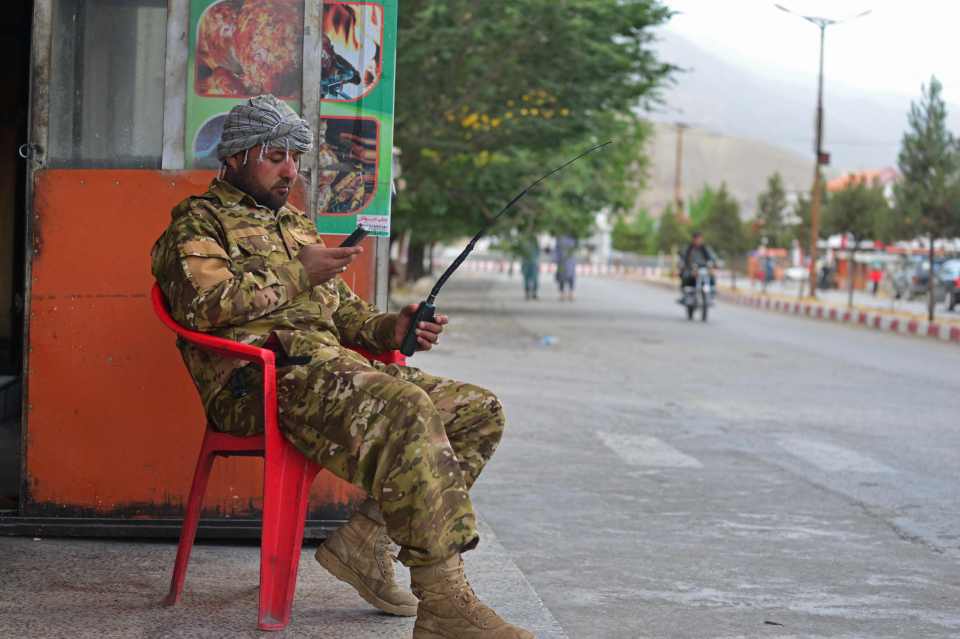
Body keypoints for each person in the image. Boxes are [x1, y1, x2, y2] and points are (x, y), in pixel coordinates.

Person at [151, 95, 532, 639]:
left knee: (478, 410)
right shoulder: (197, 223)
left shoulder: (296, 226)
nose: (290, 171)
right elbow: (202, 306)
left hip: (331, 371)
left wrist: (393, 330)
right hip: (259, 384)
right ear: (235, 156)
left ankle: (366, 541)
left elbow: (344, 313)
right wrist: (293, 273)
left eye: (296, 158)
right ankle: (444, 600)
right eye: (276, 156)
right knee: (405, 407)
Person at [554, 234, 577, 301]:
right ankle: (565, 294)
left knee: (569, 278)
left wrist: (556, 259)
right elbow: (557, 250)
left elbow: (556, 250)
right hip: (564, 261)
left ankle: (568, 294)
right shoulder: (561, 239)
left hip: (567, 261)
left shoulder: (571, 239)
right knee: (564, 278)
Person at [519, 235, 540, 300]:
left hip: (533, 263)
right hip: (526, 263)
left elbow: (538, 252)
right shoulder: (523, 240)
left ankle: (534, 293)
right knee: (526, 279)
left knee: (535, 279)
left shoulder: (534, 241)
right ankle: (527, 293)